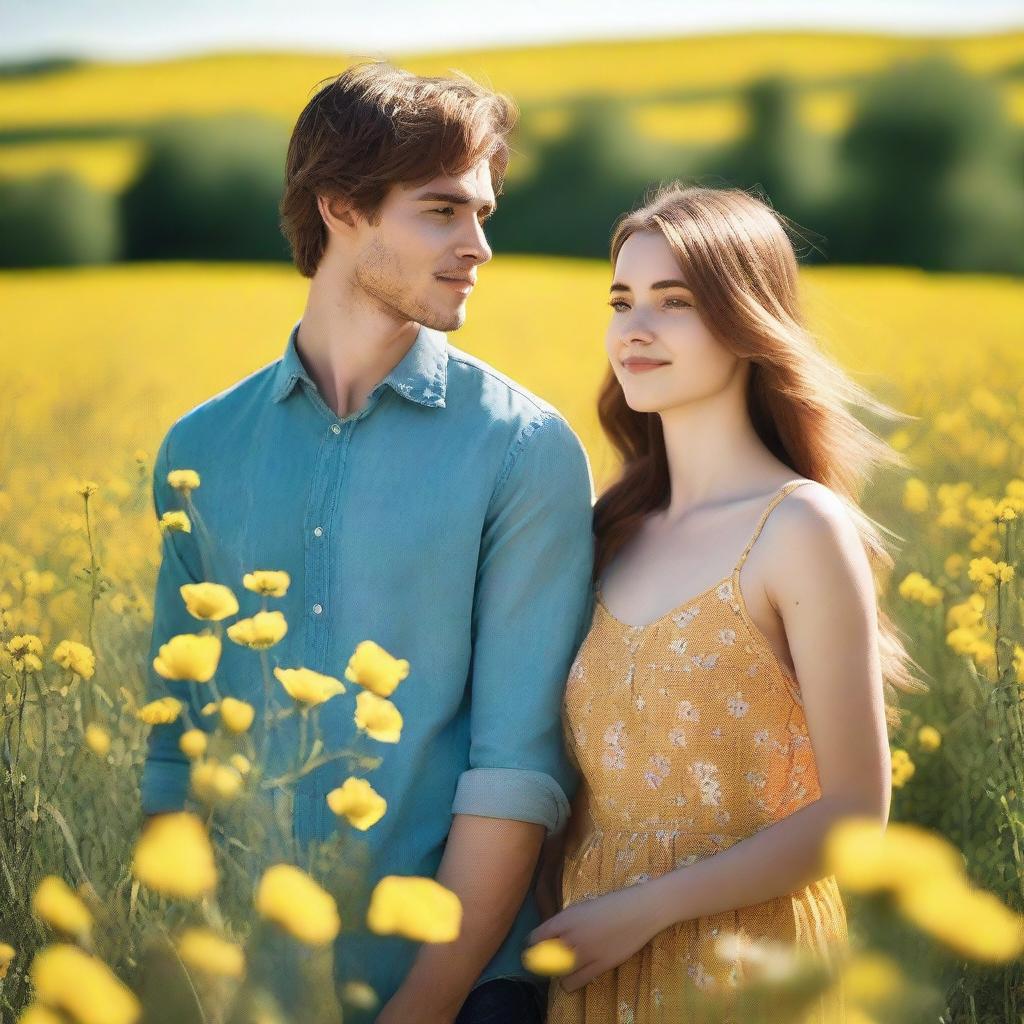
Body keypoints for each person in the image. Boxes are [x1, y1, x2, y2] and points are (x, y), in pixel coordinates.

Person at [139, 60, 596, 1024]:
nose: (478, 246)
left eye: (484, 212)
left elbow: (515, 770)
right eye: (442, 211)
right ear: (341, 206)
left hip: (461, 993)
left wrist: (418, 1010)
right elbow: (174, 748)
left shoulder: (523, 450)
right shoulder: (199, 451)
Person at [530, 183, 927, 1023]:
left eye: (674, 303)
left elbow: (858, 811)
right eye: (623, 301)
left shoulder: (798, 526)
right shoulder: (607, 531)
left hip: (750, 967)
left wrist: (643, 910)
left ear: (746, 319)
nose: (634, 328)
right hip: (596, 970)